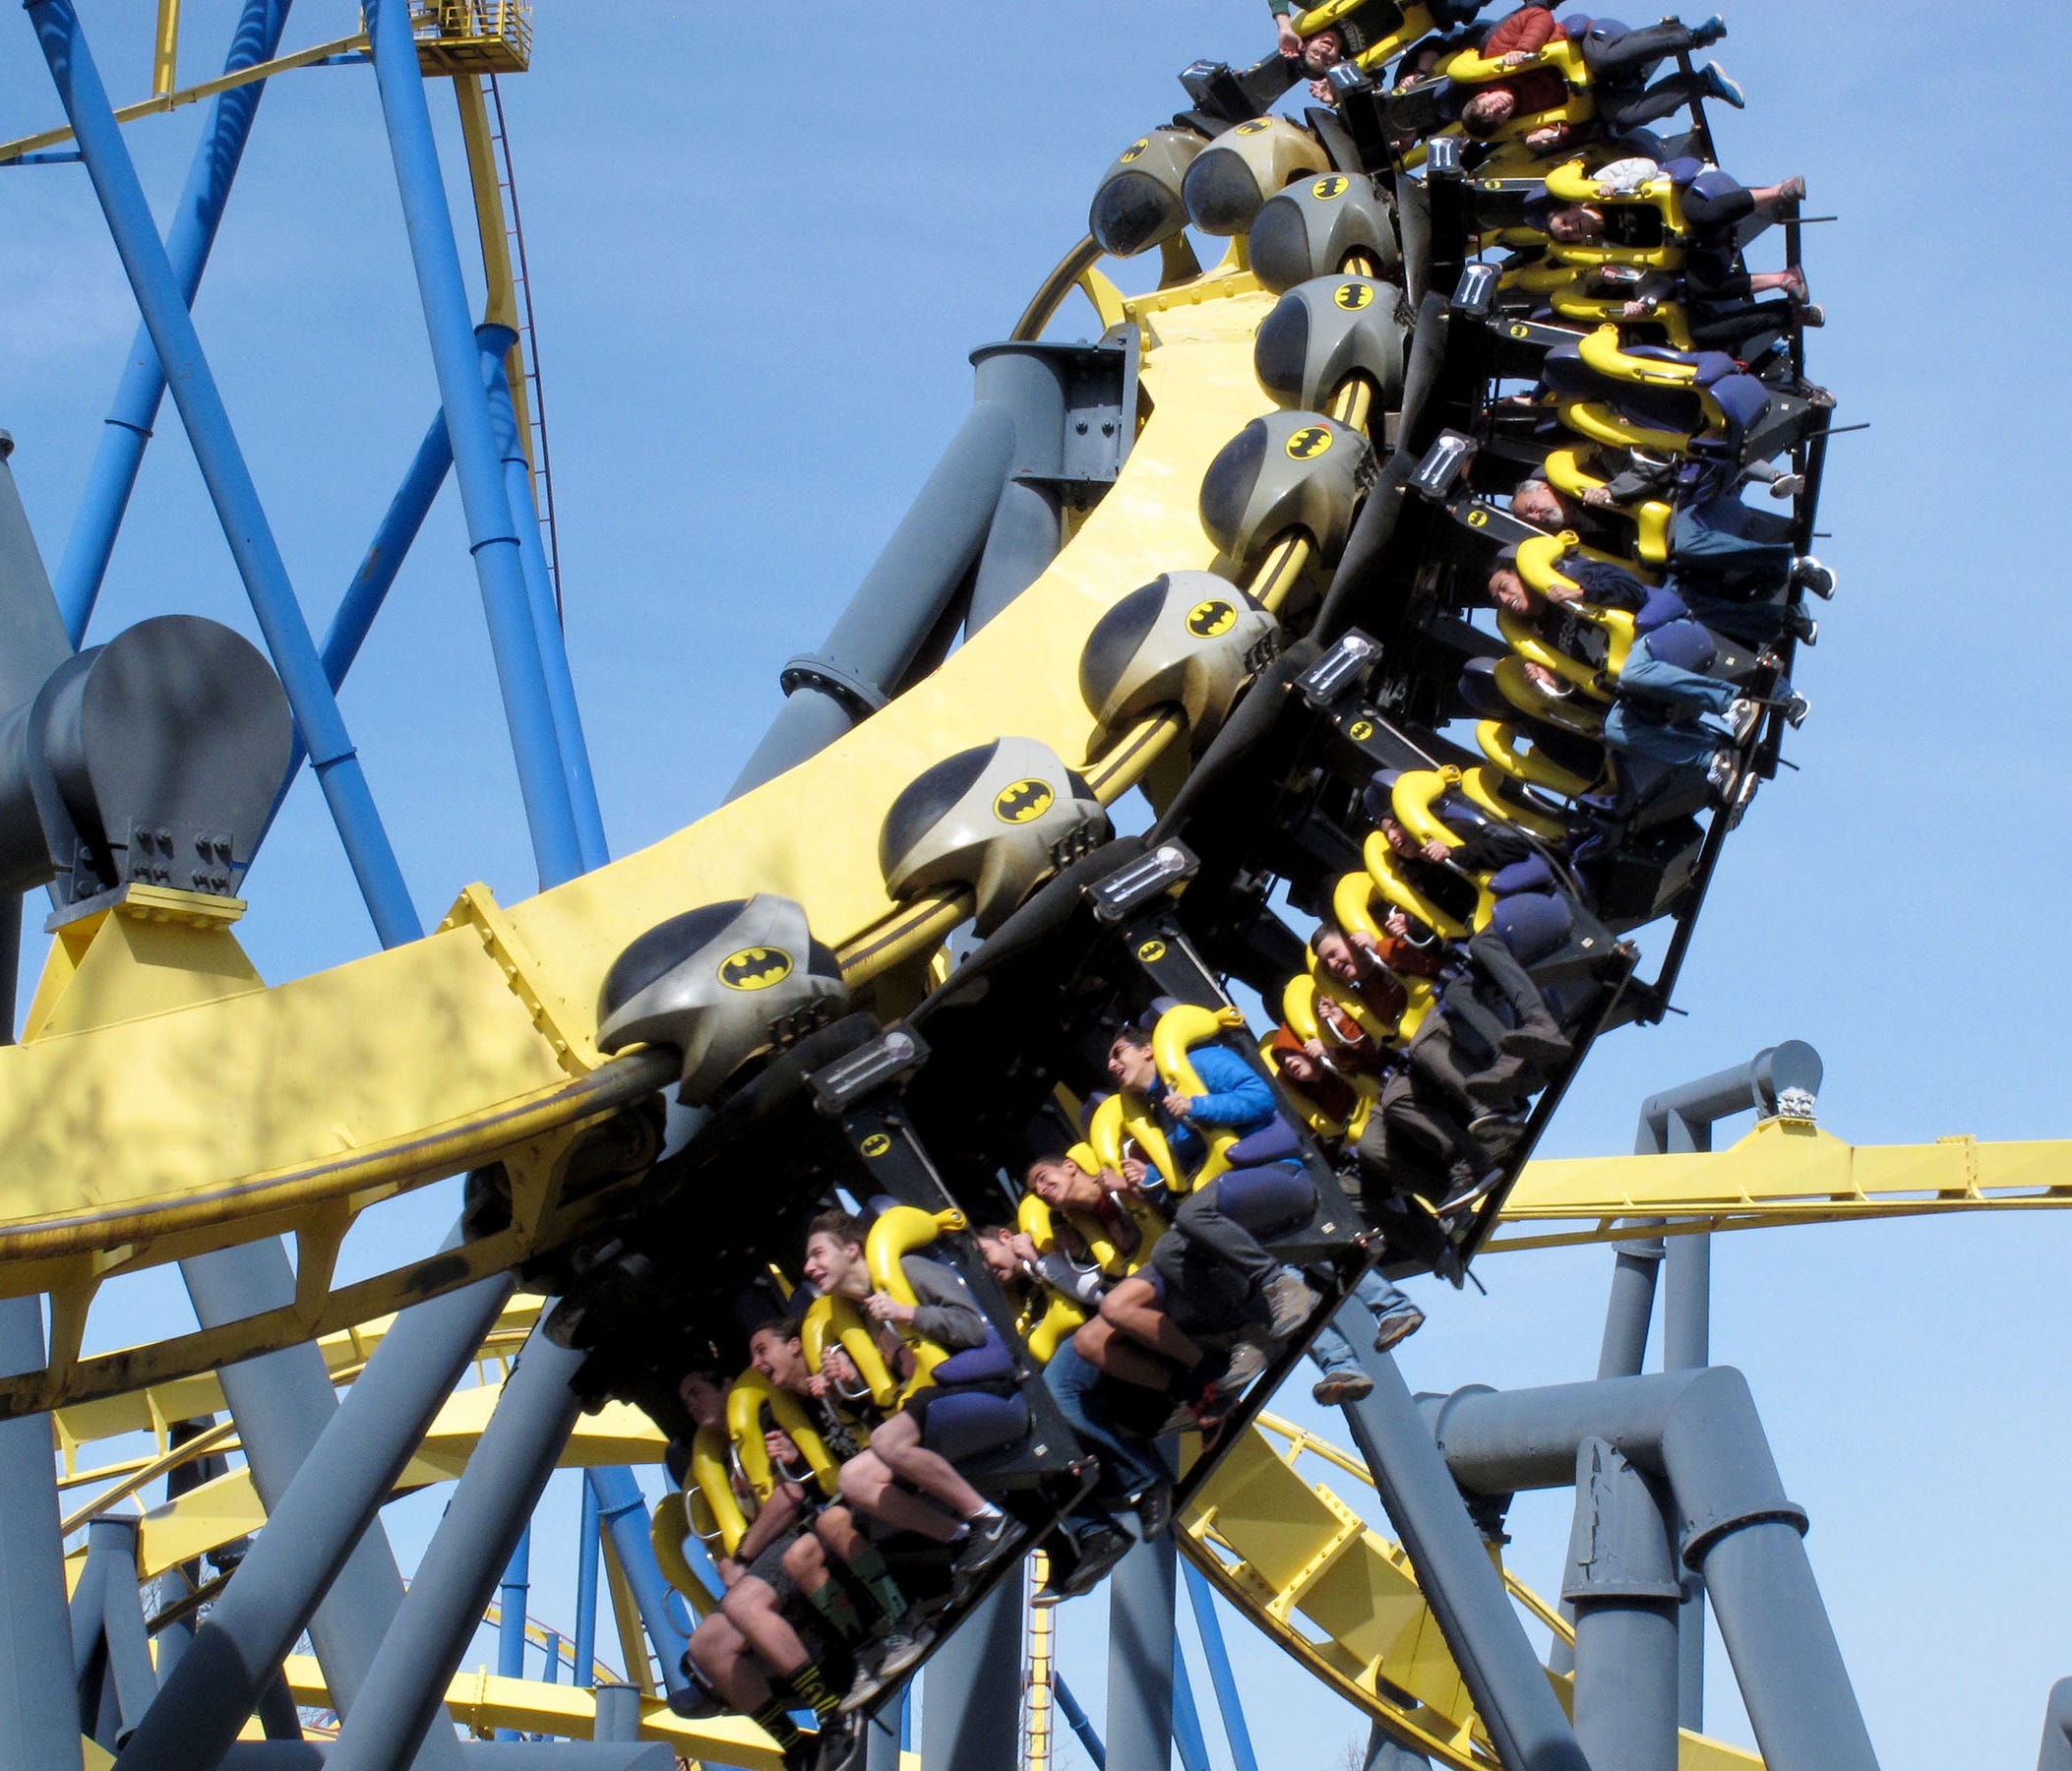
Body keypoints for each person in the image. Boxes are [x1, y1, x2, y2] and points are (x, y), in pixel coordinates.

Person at [799, 1212, 1024, 1579]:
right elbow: (897, 1386)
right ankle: (961, 1538)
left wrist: (908, 1313)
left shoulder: (908, 1269)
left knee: (887, 1440)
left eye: (818, 1254)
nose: (809, 1267)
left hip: (984, 1385)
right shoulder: (861, 1316)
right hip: (929, 1404)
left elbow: (971, 1329)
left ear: (852, 1250)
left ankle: (991, 1519)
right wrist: (849, 1382)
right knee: (854, 1479)